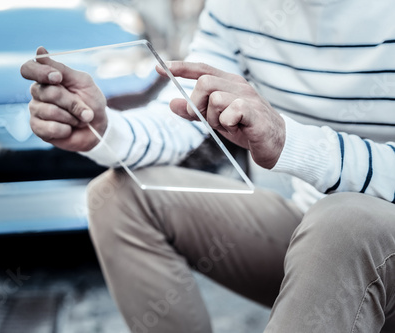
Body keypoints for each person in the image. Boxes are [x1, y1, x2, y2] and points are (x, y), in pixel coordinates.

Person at [21, 0, 395, 331]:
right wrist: (103, 128)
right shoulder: (236, 7)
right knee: (118, 197)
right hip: (311, 229)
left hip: (351, 229)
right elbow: (186, 111)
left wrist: (289, 142)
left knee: (343, 222)